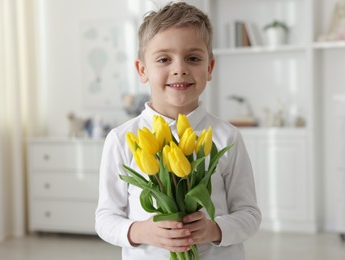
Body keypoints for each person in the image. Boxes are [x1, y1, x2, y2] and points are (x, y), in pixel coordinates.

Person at [95, 2, 261, 259]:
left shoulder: (226, 136)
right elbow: (105, 218)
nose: (179, 68)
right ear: (142, 70)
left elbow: (249, 214)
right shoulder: (121, 140)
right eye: (163, 59)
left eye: (193, 58)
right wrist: (140, 231)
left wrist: (214, 229)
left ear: (209, 68)